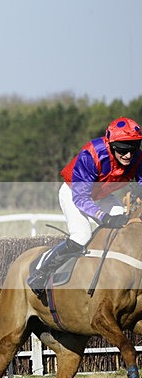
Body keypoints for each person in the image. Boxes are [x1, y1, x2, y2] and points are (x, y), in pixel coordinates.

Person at [27, 117, 142, 298]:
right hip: (74, 193)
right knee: (82, 236)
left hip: (102, 195)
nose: (128, 155)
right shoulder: (92, 154)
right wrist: (104, 217)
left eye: (134, 147)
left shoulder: (137, 157)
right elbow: (80, 197)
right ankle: (41, 270)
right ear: (111, 144)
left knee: (125, 224)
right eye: (122, 148)